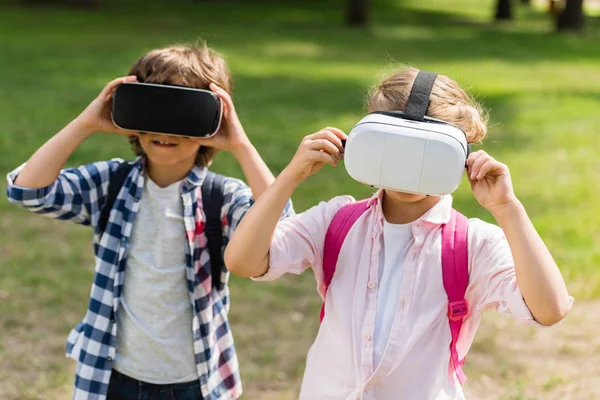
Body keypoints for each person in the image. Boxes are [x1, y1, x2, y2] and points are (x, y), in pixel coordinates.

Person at [223, 67, 572, 400]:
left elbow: (550, 309)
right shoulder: (337, 221)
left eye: (428, 152)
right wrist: (290, 177)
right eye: (395, 148)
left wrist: (507, 209)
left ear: (460, 153)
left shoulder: (472, 244)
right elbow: (243, 262)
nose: (410, 169)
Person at [5, 43, 293, 400]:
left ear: (212, 119)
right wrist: (86, 123)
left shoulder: (221, 198)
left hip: (195, 381)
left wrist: (240, 144)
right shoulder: (111, 183)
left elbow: (281, 228)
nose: (166, 130)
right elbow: (27, 192)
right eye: (154, 110)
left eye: (183, 114)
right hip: (110, 376)